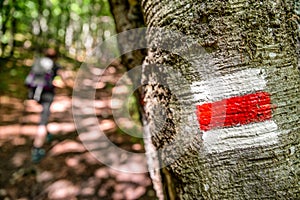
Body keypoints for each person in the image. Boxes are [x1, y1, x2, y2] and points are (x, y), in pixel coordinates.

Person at [29, 48, 64, 163]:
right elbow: (61, 81)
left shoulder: (38, 62)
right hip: (47, 95)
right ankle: (36, 149)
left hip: (36, 93)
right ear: (55, 57)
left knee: (45, 114)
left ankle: (47, 133)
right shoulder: (55, 65)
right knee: (42, 121)